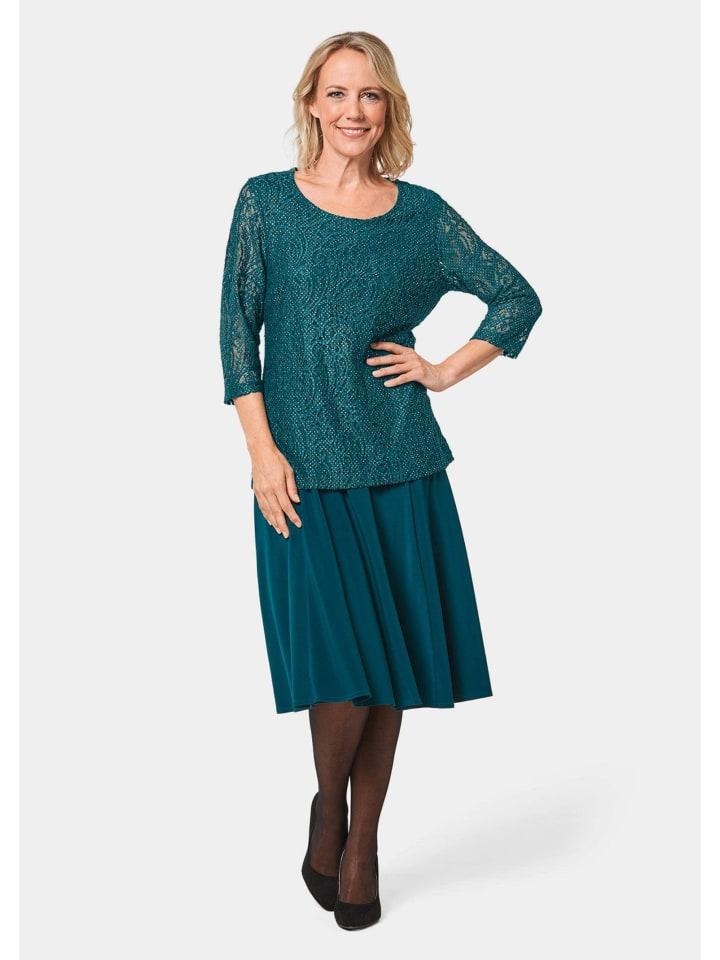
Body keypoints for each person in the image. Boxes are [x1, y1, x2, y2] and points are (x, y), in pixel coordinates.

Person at [219, 30, 542, 930]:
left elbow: (517, 296)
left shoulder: (422, 216)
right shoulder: (266, 202)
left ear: (388, 106)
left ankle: (363, 844)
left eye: (369, 94)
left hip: (400, 463)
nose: (353, 110)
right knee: (341, 666)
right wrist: (262, 453)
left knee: (387, 667)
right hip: (299, 471)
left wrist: (443, 370)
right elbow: (236, 332)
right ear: (311, 104)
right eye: (337, 93)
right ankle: (329, 808)